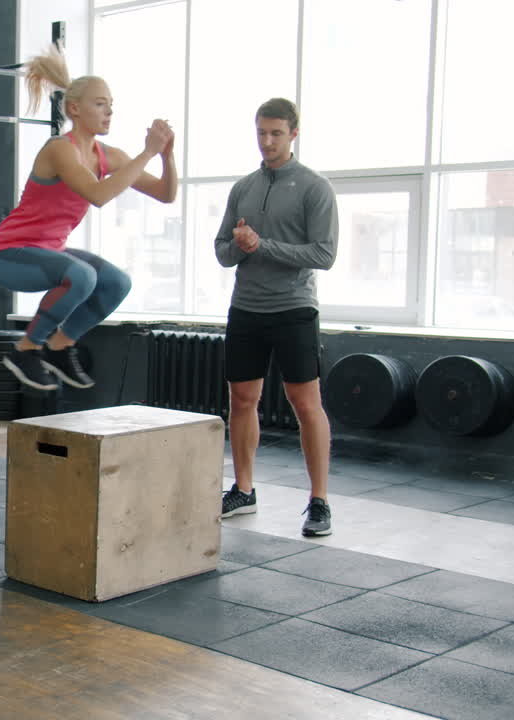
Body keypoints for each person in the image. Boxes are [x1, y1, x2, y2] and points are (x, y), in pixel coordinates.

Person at [0, 46, 176, 392]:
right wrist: (147, 152)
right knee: (82, 276)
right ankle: (27, 349)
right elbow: (99, 195)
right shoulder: (60, 149)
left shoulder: (109, 156)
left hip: (48, 254)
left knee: (117, 282)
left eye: (111, 104)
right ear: (75, 108)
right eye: (100, 103)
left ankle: (60, 346)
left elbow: (166, 193)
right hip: (7, 255)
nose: (110, 111)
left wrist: (167, 155)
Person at [214, 97, 339, 537]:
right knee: (242, 401)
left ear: (293, 134)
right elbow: (222, 251)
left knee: (306, 404)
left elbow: (324, 254)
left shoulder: (314, 187)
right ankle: (244, 490)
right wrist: (240, 245)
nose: (267, 142)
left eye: (276, 134)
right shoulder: (243, 187)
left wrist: (261, 245)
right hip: (246, 307)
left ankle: (319, 500)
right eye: (261, 133)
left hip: (294, 308)